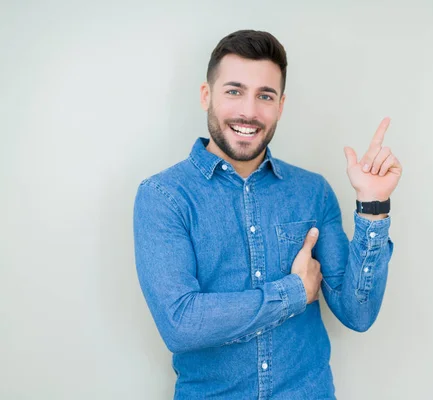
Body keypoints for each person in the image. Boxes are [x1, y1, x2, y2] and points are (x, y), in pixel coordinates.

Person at [133, 29, 402, 400]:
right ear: (205, 95)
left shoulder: (313, 191)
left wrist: (373, 208)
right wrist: (294, 292)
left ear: (280, 105)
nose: (249, 111)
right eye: (234, 91)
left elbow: (358, 313)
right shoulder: (163, 196)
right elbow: (181, 323)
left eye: (265, 96)